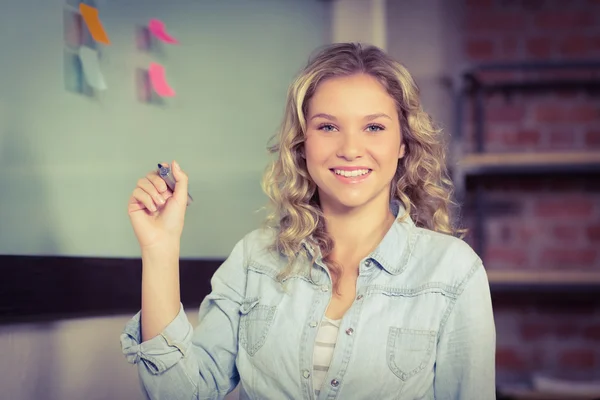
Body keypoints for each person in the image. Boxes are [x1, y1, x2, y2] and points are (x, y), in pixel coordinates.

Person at [121, 42, 496, 400]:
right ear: (302, 144)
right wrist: (160, 249)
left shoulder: (453, 272)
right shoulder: (255, 259)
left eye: (374, 127)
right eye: (328, 126)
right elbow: (182, 394)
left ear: (403, 143)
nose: (350, 149)